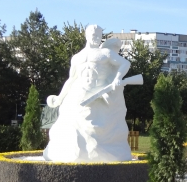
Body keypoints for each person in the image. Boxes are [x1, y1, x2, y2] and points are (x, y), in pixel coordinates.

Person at [43, 26, 132, 162]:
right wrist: (60, 97)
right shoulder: (77, 57)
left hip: (99, 95)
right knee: (67, 118)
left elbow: (125, 63)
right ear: (86, 35)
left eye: (99, 35)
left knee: (95, 129)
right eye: (93, 34)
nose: (96, 37)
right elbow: (71, 79)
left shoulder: (106, 53)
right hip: (78, 93)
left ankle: (100, 151)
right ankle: (70, 151)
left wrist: (117, 78)